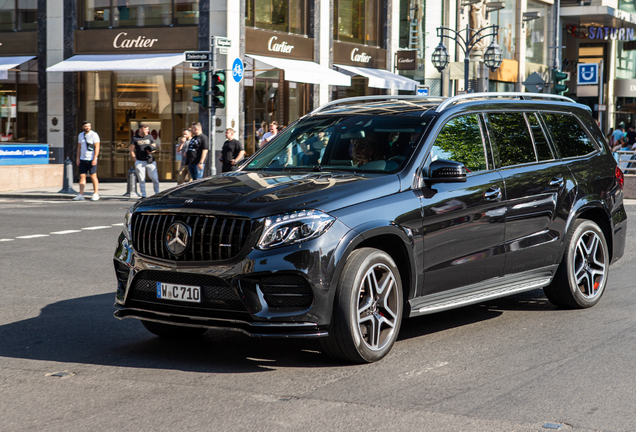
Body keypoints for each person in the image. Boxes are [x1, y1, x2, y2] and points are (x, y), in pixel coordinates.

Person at [130, 123, 160, 198]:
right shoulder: (135, 138)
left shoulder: (150, 137)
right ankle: (144, 195)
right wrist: (135, 160)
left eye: (148, 129)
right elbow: (131, 149)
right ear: (141, 129)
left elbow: (154, 147)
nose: (147, 131)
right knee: (141, 179)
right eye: (146, 129)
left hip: (150, 161)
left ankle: (157, 193)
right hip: (140, 161)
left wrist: (151, 151)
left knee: (155, 178)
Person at [74, 121, 101, 201]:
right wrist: (78, 158)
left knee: (93, 176)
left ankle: (96, 193)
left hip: (91, 159)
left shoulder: (94, 135)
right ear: (83, 127)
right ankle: (81, 194)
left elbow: (97, 147)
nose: (87, 127)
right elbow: (79, 147)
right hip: (83, 159)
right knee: (82, 176)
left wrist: (95, 158)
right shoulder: (80, 135)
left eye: (89, 126)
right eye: (86, 126)